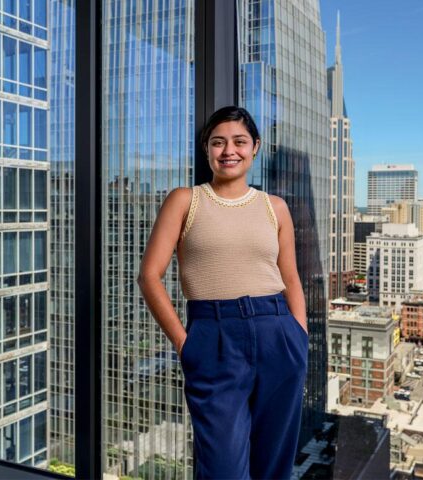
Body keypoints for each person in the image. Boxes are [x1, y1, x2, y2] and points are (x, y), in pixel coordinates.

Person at [137, 106, 308, 480]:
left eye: (239, 142)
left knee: (273, 466)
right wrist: (185, 344)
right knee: (222, 470)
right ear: (207, 149)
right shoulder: (185, 200)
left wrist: (300, 335)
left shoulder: (274, 207)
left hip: (277, 333)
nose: (229, 150)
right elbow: (149, 276)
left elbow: (291, 277)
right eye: (218, 142)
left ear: (255, 148)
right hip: (213, 336)